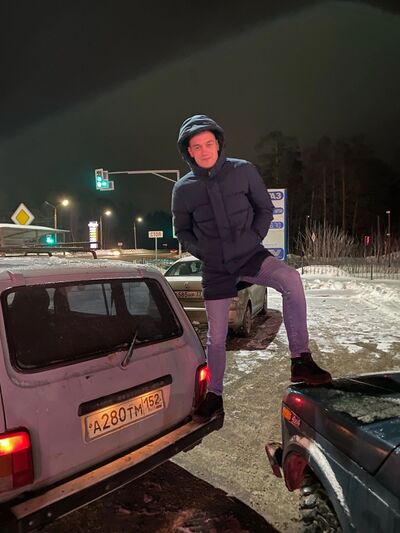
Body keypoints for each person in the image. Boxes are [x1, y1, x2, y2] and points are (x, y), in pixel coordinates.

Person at [172, 114, 332, 422]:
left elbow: (265, 208)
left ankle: (301, 359)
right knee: (217, 336)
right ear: (189, 151)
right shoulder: (183, 188)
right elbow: (183, 232)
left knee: (291, 280)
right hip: (216, 267)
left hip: (249, 255)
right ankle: (214, 395)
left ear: (218, 143)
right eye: (197, 146)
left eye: (208, 143)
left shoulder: (243, 170)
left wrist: (252, 238)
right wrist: (205, 253)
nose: (204, 150)